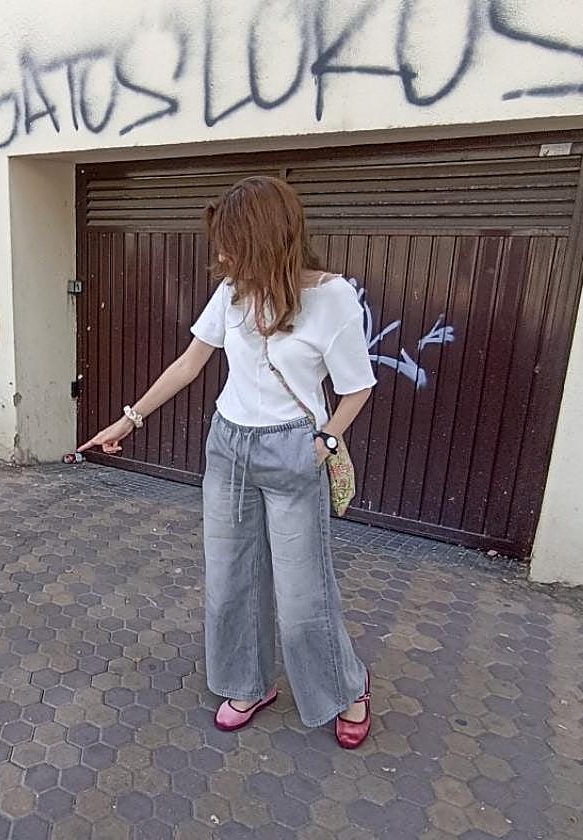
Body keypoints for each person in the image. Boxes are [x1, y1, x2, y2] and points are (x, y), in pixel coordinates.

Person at [80, 176, 376, 748]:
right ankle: (249, 681)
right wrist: (127, 420)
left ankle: (348, 686)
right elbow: (190, 364)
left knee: (301, 595)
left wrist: (325, 442)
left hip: (293, 450)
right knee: (229, 583)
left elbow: (357, 388)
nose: (220, 254)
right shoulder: (234, 293)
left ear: (266, 237)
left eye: (231, 241)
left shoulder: (331, 296)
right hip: (229, 447)